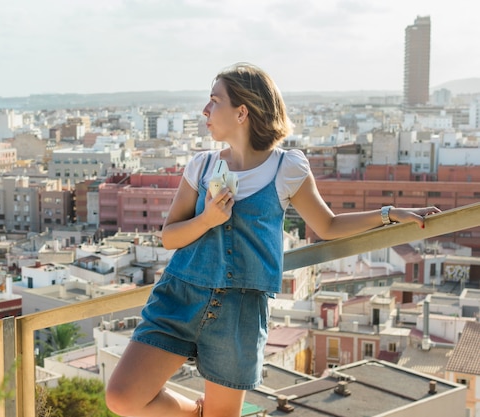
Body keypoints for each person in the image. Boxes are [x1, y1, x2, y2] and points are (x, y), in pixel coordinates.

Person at [105, 62, 440, 417]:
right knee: (122, 397)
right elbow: (170, 237)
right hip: (180, 296)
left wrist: (389, 214)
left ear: (242, 112)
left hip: (240, 313)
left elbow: (327, 225)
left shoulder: (287, 168)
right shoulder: (200, 167)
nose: (205, 110)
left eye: (214, 101)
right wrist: (206, 219)